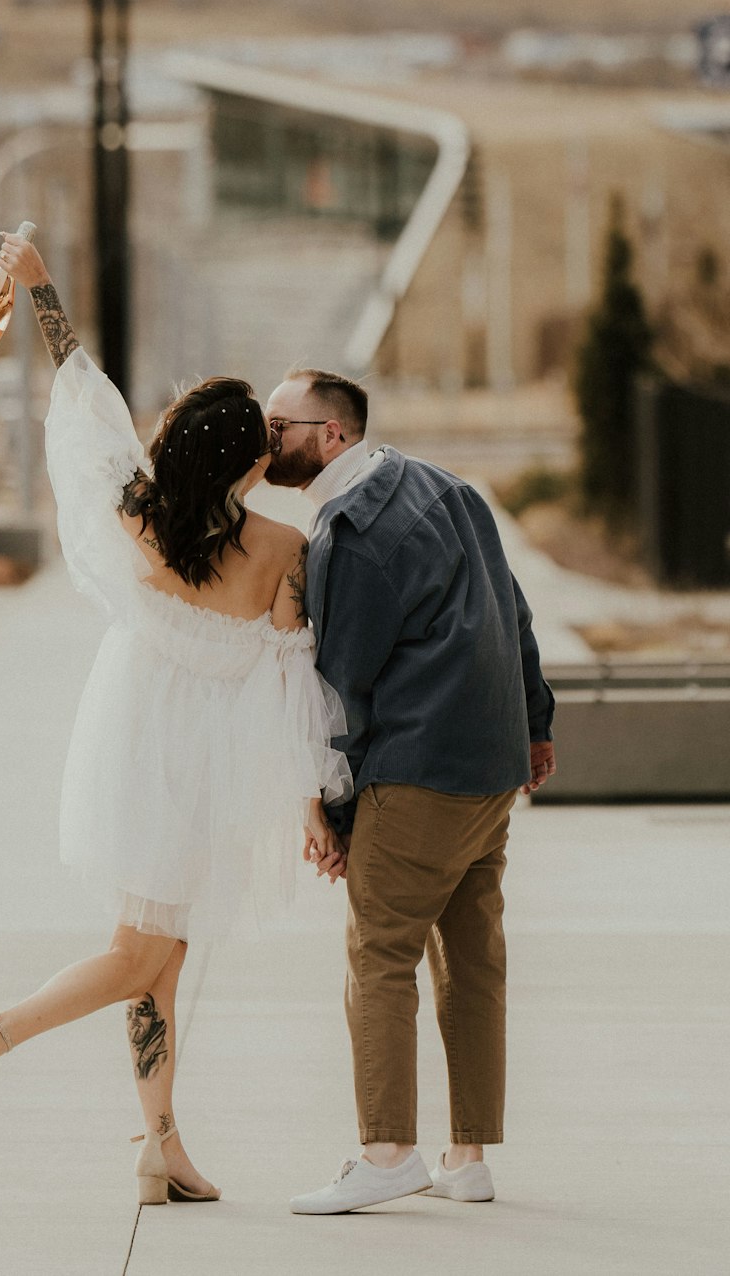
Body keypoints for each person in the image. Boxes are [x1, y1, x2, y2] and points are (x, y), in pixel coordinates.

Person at [0, 237, 351, 1207]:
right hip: (200, 761)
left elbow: (83, 393)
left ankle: (161, 1144)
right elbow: (295, 685)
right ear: (252, 459)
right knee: (138, 952)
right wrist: (312, 800)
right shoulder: (282, 548)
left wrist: (39, 290)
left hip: (126, 739)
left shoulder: (135, 508)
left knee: (158, 951)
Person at [263, 367, 556, 1214]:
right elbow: (515, 609)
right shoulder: (443, 485)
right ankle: (467, 1158)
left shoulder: (348, 538)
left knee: (379, 953)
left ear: (331, 436)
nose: (263, 436)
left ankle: (388, 1151)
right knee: (472, 958)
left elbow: (340, 690)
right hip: (489, 764)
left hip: (419, 769)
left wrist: (334, 814)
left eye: (278, 423)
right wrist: (535, 726)